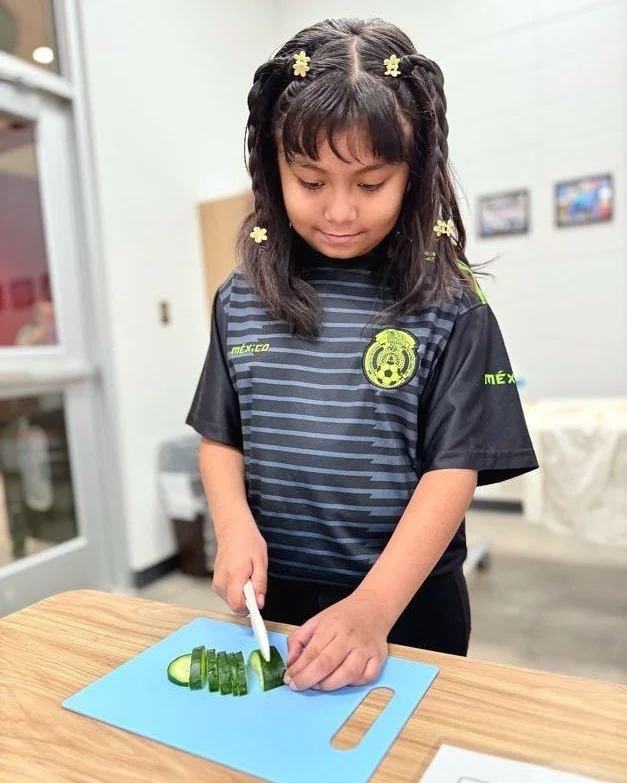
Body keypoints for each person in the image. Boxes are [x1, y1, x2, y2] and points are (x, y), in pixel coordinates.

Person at [187, 17, 538, 693]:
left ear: (415, 174)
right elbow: (219, 436)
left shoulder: (451, 303)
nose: (340, 211)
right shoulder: (240, 297)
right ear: (272, 173)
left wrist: (373, 608)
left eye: (371, 184)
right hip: (276, 599)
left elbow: (454, 468)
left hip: (405, 602)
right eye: (310, 182)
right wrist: (232, 528)